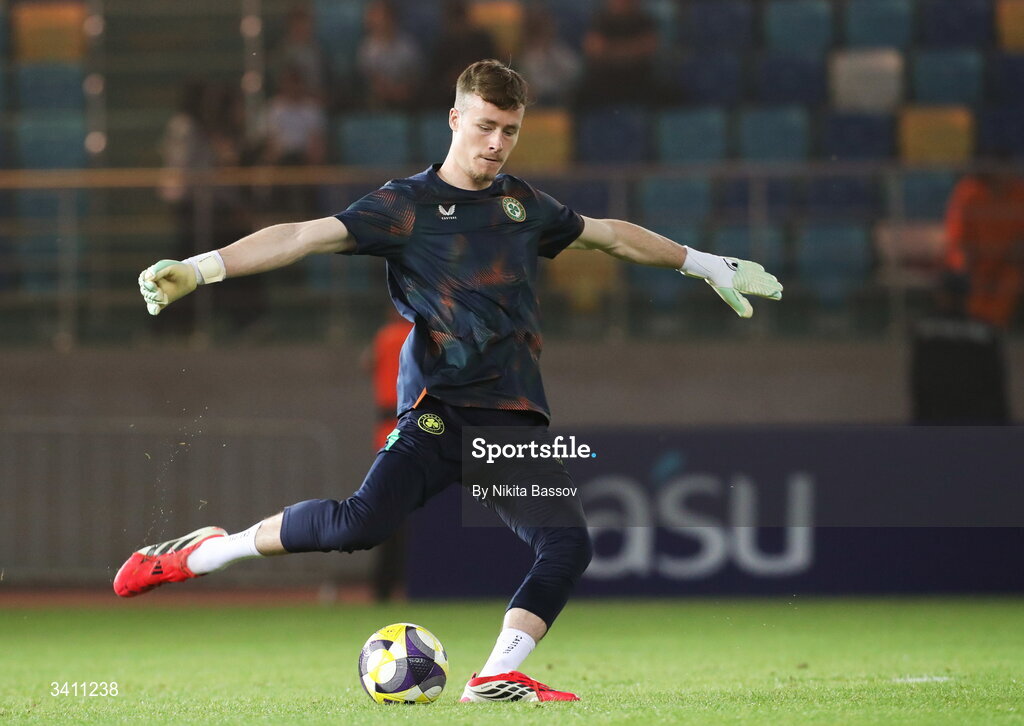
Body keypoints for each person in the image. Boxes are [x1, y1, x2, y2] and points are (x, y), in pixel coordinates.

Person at [116, 60, 782, 702]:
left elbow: (609, 236)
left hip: (509, 420)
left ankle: (495, 677)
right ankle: (209, 552)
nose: (497, 144)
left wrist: (706, 264)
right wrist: (202, 269)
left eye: (510, 130)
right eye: (486, 126)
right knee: (360, 525)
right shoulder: (405, 207)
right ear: (455, 118)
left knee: (568, 543)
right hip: (438, 411)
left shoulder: (524, 205)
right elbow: (298, 236)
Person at [363, 307, 413, 601]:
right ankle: (399, 583)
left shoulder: (384, 336)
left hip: (387, 435)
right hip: (419, 433)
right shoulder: (427, 335)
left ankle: (384, 586)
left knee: (392, 513)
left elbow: (367, 363)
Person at [944, 168, 1024, 329]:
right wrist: (966, 260)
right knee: (972, 280)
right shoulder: (969, 191)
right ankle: (978, 327)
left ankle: (992, 328)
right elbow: (958, 236)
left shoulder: (1020, 192)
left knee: (1011, 279)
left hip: (1009, 262)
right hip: (976, 260)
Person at [356, 0, 423, 110]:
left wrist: (402, 88)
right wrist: (386, 89)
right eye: (377, 18)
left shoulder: (407, 45)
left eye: (383, 17)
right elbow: (367, 79)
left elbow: (416, 75)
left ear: (392, 18)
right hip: (377, 98)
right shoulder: (367, 48)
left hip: (406, 96)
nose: (381, 22)